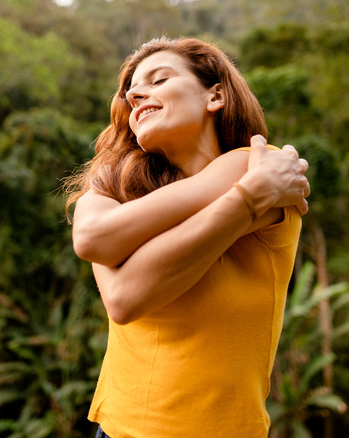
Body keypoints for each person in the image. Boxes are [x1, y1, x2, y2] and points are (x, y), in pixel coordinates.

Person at [64, 37, 310, 437]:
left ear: (215, 96)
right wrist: (247, 198)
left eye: (159, 80)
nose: (136, 94)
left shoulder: (254, 162)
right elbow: (96, 246)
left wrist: (247, 189)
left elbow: (124, 290)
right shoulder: (112, 186)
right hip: (117, 430)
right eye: (132, 93)